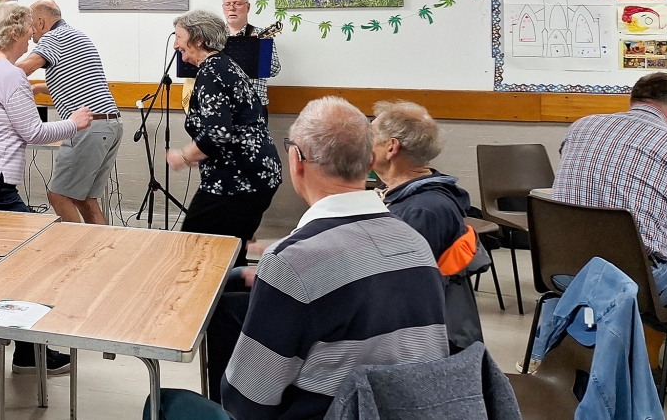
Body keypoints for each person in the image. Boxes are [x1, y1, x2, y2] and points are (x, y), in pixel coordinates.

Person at [151, 97, 448, 420]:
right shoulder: (415, 243)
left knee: (164, 405)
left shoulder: (292, 262)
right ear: (370, 162)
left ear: (296, 160)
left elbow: (247, 401)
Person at [0, 2, 92, 374]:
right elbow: (34, 132)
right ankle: (29, 355)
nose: (32, 37)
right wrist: (75, 122)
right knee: (33, 258)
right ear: (13, 34)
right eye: (28, 31)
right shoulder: (10, 76)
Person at [542, 71, 667, 384]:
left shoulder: (581, 126)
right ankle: (649, 367)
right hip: (638, 280)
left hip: (563, 270)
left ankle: (633, 359)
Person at [166, 10, 281, 268]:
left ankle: (209, 306)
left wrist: (183, 156)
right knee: (229, 253)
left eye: (179, 37)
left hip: (236, 181)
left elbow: (218, 134)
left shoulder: (211, 71)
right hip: (256, 175)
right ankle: (235, 305)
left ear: (198, 40)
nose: (175, 44)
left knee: (198, 249)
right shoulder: (225, 65)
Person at [371, 100, 484, 352]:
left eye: (371, 135)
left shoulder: (422, 211)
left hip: (416, 345)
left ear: (391, 147)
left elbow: (398, 290)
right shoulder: (405, 195)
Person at [16, 0, 121, 225]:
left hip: (90, 127)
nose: (30, 32)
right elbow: (77, 79)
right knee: (85, 199)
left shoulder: (53, 38)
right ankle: (101, 252)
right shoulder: (75, 35)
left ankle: (77, 251)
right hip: (109, 124)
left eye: (30, 25)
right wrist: (38, 88)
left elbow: (23, 69)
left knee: (58, 195)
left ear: (41, 22)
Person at [222, 0, 280, 123]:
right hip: (222, 105)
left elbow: (275, 69)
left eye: (237, 3)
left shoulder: (261, 34)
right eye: (228, 4)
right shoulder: (214, 36)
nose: (232, 8)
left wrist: (256, 50)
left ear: (248, 7)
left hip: (254, 106)